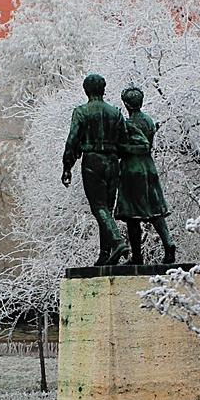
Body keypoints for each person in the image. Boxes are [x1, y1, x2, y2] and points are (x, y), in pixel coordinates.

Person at [61, 73, 129, 266]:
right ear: (103, 90)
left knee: (98, 207)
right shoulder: (115, 113)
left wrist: (67, 166)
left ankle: (117, 242)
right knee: (106, 208)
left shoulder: (81, 112)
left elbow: (72, 140)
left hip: (93, 161)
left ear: (86, 90)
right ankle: (105, 254)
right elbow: (124, 141)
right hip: (113, 161)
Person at [115, 85, 175, 265]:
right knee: (155, 210)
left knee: (132, 215)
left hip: (133, 170)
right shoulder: (148, 121)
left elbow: (140, 146)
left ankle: (137, 256)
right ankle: (168, 244)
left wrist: (121, 148)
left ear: (126, 103)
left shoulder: (127, 124)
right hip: (149, 168)